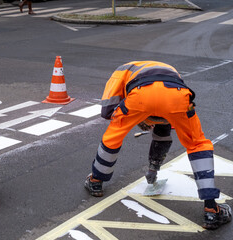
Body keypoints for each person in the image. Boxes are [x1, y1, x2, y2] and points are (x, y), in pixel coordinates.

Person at [84, 60, 232, 230]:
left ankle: (96, 181)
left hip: (139, 96)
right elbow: (164, 112)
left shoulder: (121, 71)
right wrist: (154, 166)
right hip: (177, 96)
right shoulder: (167, 70)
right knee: (198, 144)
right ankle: (211, 210)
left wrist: (139, 116)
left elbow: (107, 111)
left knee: (113, 136)